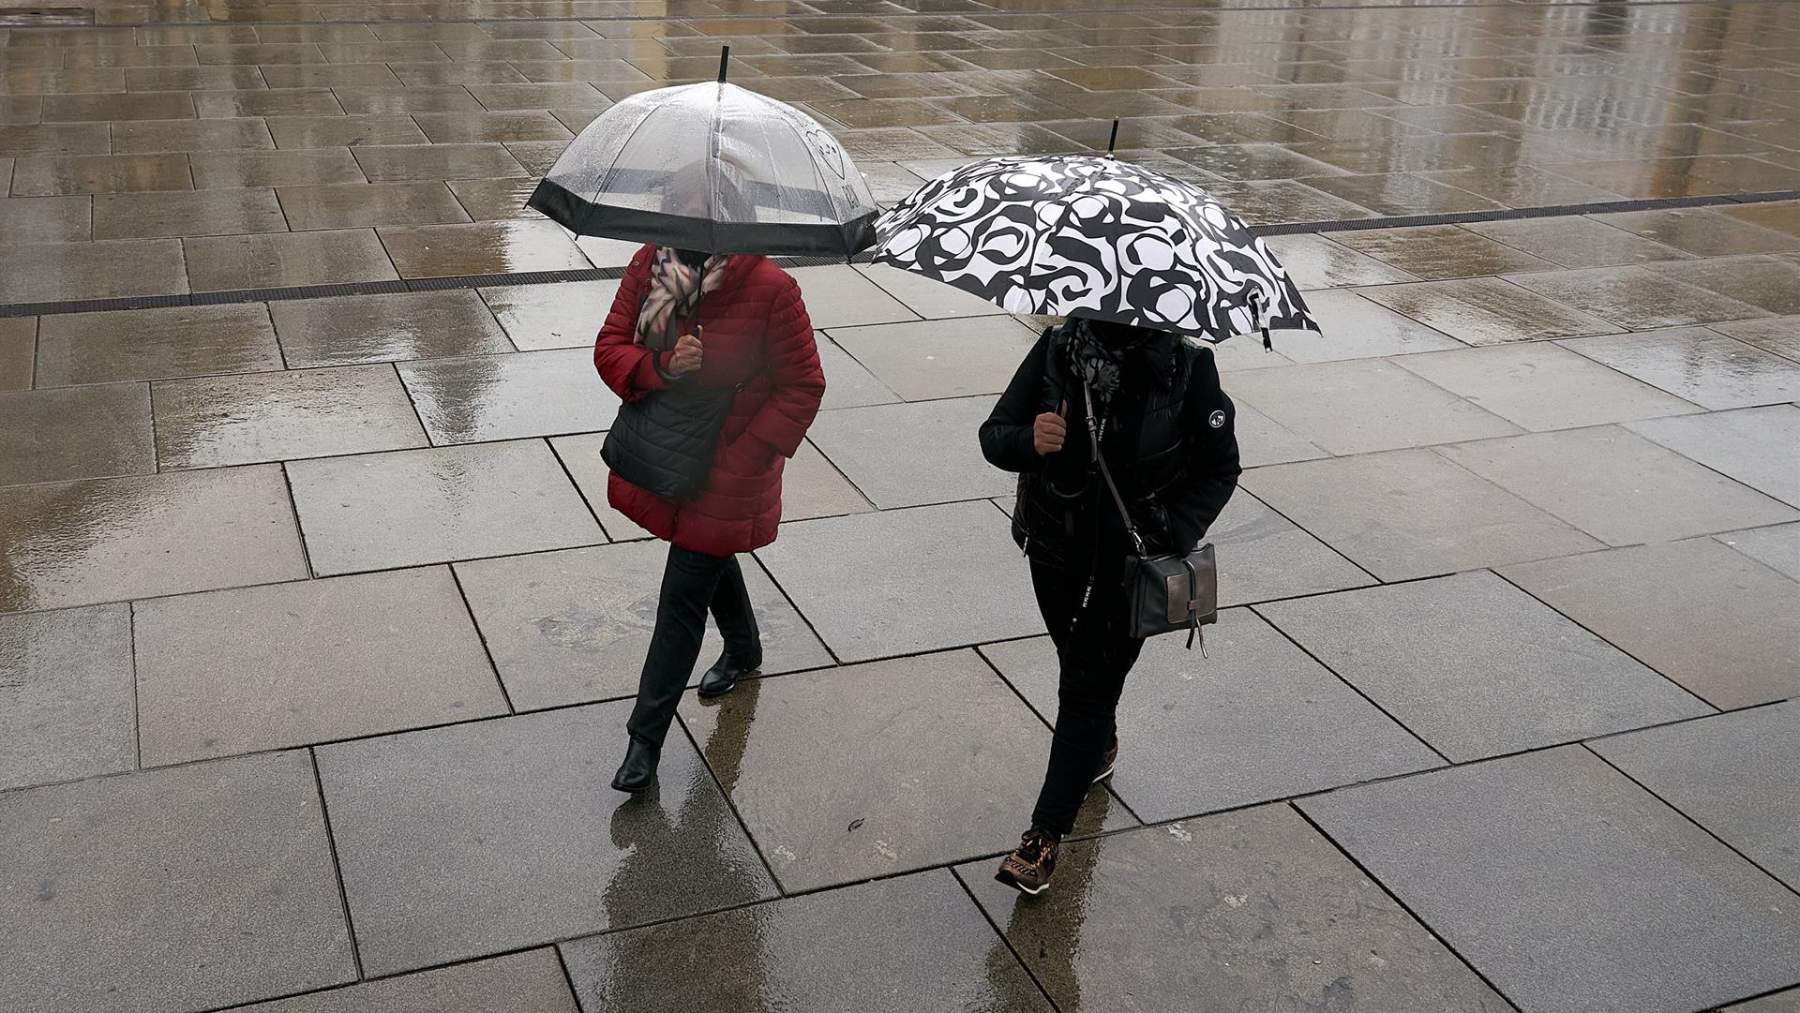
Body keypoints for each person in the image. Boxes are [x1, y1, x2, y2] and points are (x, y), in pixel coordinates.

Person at [978, 313, 1240, 894]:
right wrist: (1031, 439)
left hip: (1131, 563)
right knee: (1079, 668)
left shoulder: (1187, 368)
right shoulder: (1057, 348)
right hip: (1054, 546)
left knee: (1085, 685)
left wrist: (1172, 528)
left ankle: (1043, 838)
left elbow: (1221, 467)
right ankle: (1100, 741)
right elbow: (994, 434)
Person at [594, 241, 823, 793]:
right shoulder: (655, 262)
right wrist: (664, 365)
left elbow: (804, 386)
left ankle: (644, 741)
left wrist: (738, 461)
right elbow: (610, 349)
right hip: (673, 451)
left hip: (728, 466)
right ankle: (745, 649)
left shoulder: (771, 287)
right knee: (706, 552)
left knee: (682, 595)